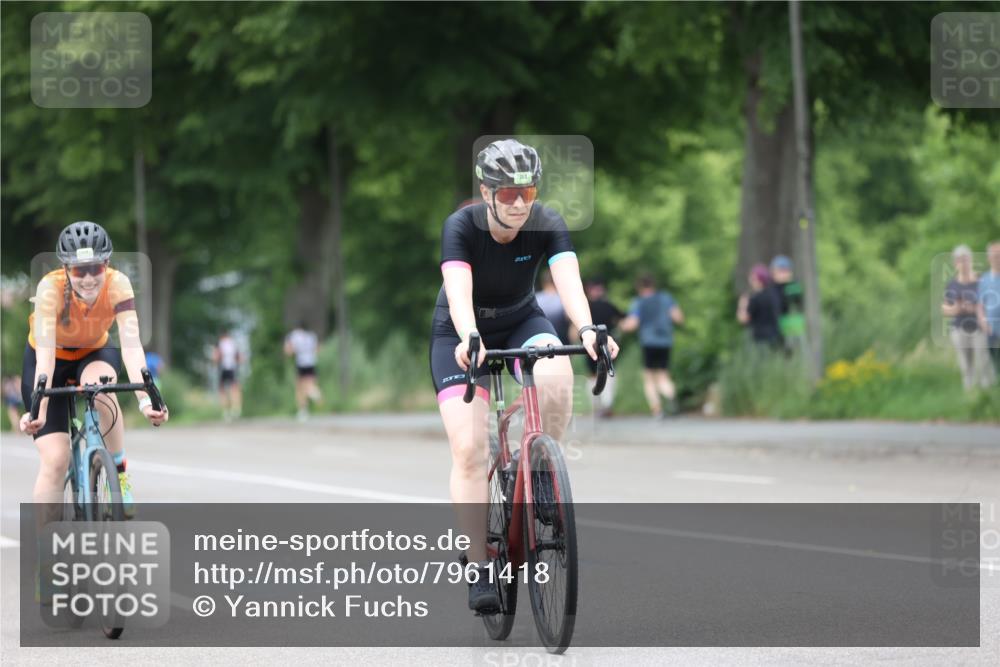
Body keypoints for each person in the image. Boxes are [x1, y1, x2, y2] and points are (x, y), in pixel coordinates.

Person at [430, 139, 619, 614]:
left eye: (528, 193)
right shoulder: (462, 226)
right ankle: (479, 566)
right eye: (508, 194)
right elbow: (458, 293)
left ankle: (540, 476)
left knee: (557, 371)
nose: (519, 204)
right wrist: (470, 335)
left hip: (521, 319)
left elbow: (570, 285)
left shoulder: (548, 223)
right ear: (486, 191)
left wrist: (590, 329)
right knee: (470, 450)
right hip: (461, 331)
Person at [18, 221, 169, 520]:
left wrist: (147, 399)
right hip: (49, 359)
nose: (88, 278)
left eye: (95, 268)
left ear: (107, 264)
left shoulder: (119, 284)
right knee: (56, 459)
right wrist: (40, 408)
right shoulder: (49, 289)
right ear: (65, 269)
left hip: (94, 351)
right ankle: (47, 555)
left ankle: (120, 471)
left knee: (101, 391)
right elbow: (46, 361)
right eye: (78, 270)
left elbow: (131, 346)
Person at [621, 273, 684, 419]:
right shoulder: (666, 298)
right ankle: (670, 397)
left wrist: (622, 326)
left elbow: (632, 324)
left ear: (639, 288)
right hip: (665, 341)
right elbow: (678, 317)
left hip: (648, 342)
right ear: (653, 285)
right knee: (663, 375)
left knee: (649, 377)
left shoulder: (639, 302)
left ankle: (657, 410)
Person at [943, 245, 994, 391]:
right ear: (955, 263)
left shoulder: (980, 281)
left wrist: (973, 307)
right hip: (959, 328)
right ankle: (970, 394)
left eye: (965, 259)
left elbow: (989, 303)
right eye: (959, 260)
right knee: (965, 365)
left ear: (971, 260)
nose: (963, 263)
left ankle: (987, 394)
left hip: (978, 327)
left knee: (982, 361)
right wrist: (957, 308)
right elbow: (946, 308)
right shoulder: (952, 284)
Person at [578, 277, 624, 418]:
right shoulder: (609, 305)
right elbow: (624, 320)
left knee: (592, 375)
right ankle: (606, 405)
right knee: (609, 372)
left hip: (589, 345)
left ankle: (596, 405)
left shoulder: (585, 308)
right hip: (607, 345)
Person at [737, 264, 783, 348]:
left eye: (753, 278)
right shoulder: (773, 295)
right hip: (775, 335)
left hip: (760, 339)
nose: (750, 280)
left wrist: (742, 305)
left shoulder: (755, 299)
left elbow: (743, 319)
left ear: (758, 280)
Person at [285, 322, 322, 421]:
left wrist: (292, 351)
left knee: (300, 388)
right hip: (311, 362)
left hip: (301, 363)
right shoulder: (311, 336)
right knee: (309, 384)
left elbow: (288, 350)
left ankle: (303, 410)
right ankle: (314, 393)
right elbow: (318, 349)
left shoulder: (295, 334)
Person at [770, 255, 805, 349]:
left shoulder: (793, 286)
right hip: (774, 327)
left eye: (785, 271)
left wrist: (788, 284)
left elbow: (795, 302)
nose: (782, 274)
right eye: (780, 271)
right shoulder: (771, 288)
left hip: (790, 326)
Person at [978, 240, 1000, 377]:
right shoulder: (984, 280)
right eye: (995, 255)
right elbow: (980, 304)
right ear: (989, 258)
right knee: (996, 359)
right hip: (992, 328)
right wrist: (983, 322)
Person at [214, 331, 243, 421]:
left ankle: (226, 412)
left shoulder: (220, 343)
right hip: (233, 369)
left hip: (223, 369)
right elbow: (240, 358)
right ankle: (236, 410)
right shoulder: (233, 343)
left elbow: (215, 357)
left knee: (222, 391)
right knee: (235, 390)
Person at [535, 269, 569, 343]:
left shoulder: (535, 299)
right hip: (562, 343)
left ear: (543, 282)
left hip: (540, 341)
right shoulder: (563, 299)